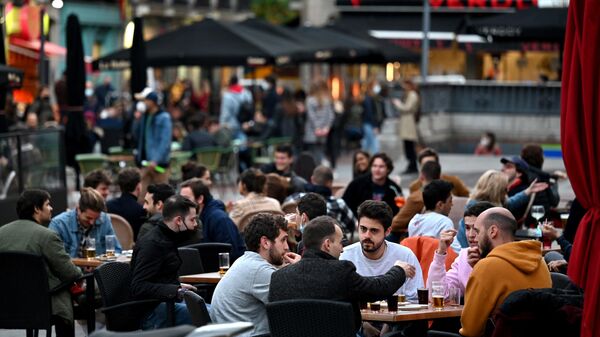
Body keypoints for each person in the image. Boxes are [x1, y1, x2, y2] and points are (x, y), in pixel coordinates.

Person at [268, 215, 416, 333]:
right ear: (327, 244)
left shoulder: (278, 278)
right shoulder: (340, 272)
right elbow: (378, 289)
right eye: (340, 243)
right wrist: (399, 270)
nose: (342, 249)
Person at [0, 189, 82, 337]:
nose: (51, 208)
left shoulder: (1, 233)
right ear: (37, 209)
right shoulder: (47, 236)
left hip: (6, 304)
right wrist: (80, 272)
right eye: (48, 204)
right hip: (39, 305)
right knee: (65, 290)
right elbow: (70, 273)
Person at [459, 207, 552, 337]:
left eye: (478, 231)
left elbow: (470, 329)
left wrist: (479, 269)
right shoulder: (540, 262)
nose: (475, 238)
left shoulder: (487, 267)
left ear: (493, 231)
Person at [210, 214, 301, 337]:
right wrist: (300, 268)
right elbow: (297, 304)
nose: (287, 247)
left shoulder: (245, 261)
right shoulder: (259, 271)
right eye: (283, 240)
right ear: (265, 242)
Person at [130, 195, 198, 330]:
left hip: (168, 303)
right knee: (211, 315)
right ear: (178, 220)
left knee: (217, 310)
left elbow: (158, 277)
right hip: (153, 311)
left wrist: (177, 286)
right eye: (192, 220)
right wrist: (175, 290)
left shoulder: (168, 237)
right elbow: (138, 286)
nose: (195, 224)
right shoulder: (153, 244)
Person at [341, 201, 423, 302]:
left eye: (374, 230)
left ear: (387, 231)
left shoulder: (405, 255)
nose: (367, 235)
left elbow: (416, 299)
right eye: (363, 229)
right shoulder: (344, 256)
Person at [455, 170, 548, 248]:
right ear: (496, 191)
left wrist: (527, 192)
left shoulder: (496, 204)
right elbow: (465, 245)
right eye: (505, 189)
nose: (507, 191)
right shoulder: (475, 210)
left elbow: (511, 202)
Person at [426, 201, 495, 294]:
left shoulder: (502, 257)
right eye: (467, 228)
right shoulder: (464, 256)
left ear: (492, 230)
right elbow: (438, 294)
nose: (470, 235)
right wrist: (440, 253)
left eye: (476, 229)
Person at [179, 178, 246, 260]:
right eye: (180, 199)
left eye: (186, 199)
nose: (181, 203)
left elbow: (229, 254)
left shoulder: (219, 219)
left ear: (200, 199)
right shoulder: (195, 217)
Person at [284, 165, 357, 236]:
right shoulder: (339, 204)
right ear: (330, 182)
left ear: (312, 179)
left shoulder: (293, 198)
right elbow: (353, 226)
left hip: (294, 241)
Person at [50, 188, 122, 257]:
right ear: (78, 209)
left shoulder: (104, 219)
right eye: (88, 218)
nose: (92, 222)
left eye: (96, 218)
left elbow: (116, 250)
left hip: (98, 268)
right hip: (70, 268)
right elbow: (55, 258)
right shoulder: (59, 224)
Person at [134, 87, 173, 204]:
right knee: (142, 197)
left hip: (159, 165)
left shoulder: (163, 117)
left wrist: (156, 159)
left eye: (145, 100)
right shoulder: (145, 116)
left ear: (152, 102)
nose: (143, 103)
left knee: (161, 198)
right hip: (145, 163)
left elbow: (165, 141)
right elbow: (136, 135)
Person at [390, 160, 441, 240]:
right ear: (439, 176)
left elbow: (395, 224)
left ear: (421, 176)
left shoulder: (417, 198)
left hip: (415, 239)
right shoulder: (445, 194)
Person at [342, 152, 403, 217]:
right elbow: (344, 205)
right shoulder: (357, 184)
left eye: (381, 166)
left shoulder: (394, 188)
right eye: (374, 166)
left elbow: (400, 211)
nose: (377, 169)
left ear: (388, 169)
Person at [408, 180, 461, 252]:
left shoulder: (414, 221)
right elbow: (455, 251)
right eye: (450, 201)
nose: (452, 204)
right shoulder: (444, 222)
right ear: (440, 205)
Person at [107, 168, 147, 240]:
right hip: (132, 249)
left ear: (120, 186)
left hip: (111, 248)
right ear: (138, 186)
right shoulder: (141, 210)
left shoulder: (108, 206)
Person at [392, 79, 420, 174]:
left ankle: (412, 165)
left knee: (409, 145)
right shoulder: (411, 94)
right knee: (408, 145)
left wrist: (398, 104)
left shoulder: (412, 95)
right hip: (407, 122)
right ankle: (411, 165)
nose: (404, 88)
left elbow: (407, 108)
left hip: (408, 123)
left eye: (405, 85)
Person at [303, 80, 334, 164]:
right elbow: (330, 116)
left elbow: (311, 116)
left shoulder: (309, 100)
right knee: (320, 151)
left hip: (312, 131)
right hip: (324, 131)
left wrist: (317, 128)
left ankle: (314, 171)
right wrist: (326, 127)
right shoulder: (327, 100)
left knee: (312, 153)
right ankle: (320, 170)